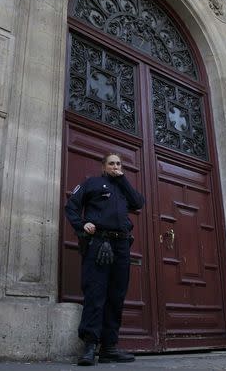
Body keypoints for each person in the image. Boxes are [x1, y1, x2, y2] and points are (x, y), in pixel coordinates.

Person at [65, 153, 145, 366]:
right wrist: (81, 225)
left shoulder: (123, 187)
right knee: (95, 293)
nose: (116, 167)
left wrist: (123, 179)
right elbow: (71, 206)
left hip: (121, 246)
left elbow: (138, 202)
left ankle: (109, 347)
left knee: (116, 296)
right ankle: (90, 346)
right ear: (103, 166)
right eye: (111, 163)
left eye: (119, 164)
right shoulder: (92, 183)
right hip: (99, 243)